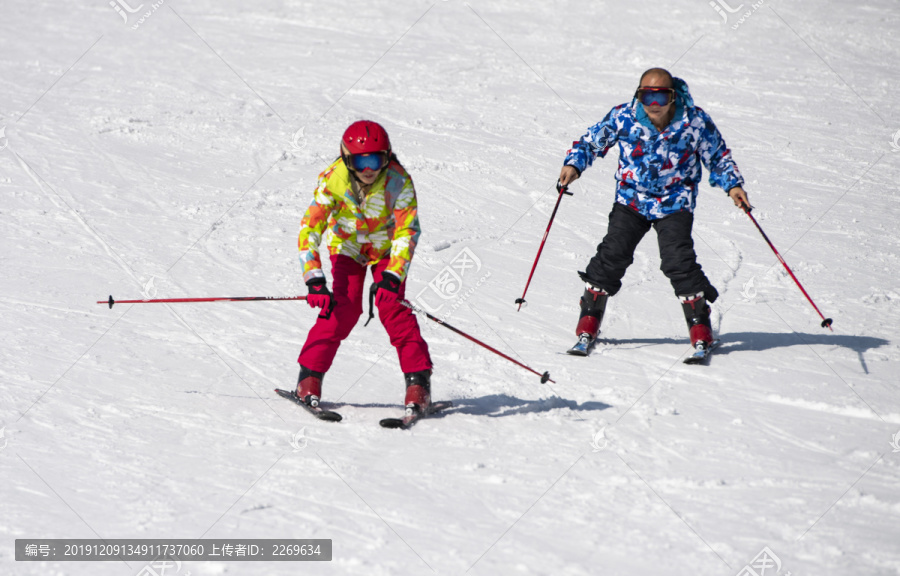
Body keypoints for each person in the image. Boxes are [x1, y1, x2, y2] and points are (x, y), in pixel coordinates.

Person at [559, 68, 749, 353]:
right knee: (613, 253)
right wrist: (574, 164)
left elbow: (718, 154)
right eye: (646, 95)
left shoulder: (694, 121)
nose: (653, 104)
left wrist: (732, 185)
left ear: (672, 96)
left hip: (675, 203)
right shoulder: (624, 116)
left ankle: (699, 320)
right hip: (631, 200)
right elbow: (590, 142)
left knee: (677, 260)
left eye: (660, 96)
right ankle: (590, 314)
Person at [295, 120, 433, 412]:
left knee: (393, 308)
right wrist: (314, 279)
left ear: (387, 156)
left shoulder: (399, 181)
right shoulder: (333, 180)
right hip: (348, 247)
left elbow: (407, 230)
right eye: (360, 160)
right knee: (343, 308)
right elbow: (310, 229)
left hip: (386, 248)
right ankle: (308, 378)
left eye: (375, 159)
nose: (368, 168)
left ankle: (418, 384)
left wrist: (393, 276)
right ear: (347, 158)